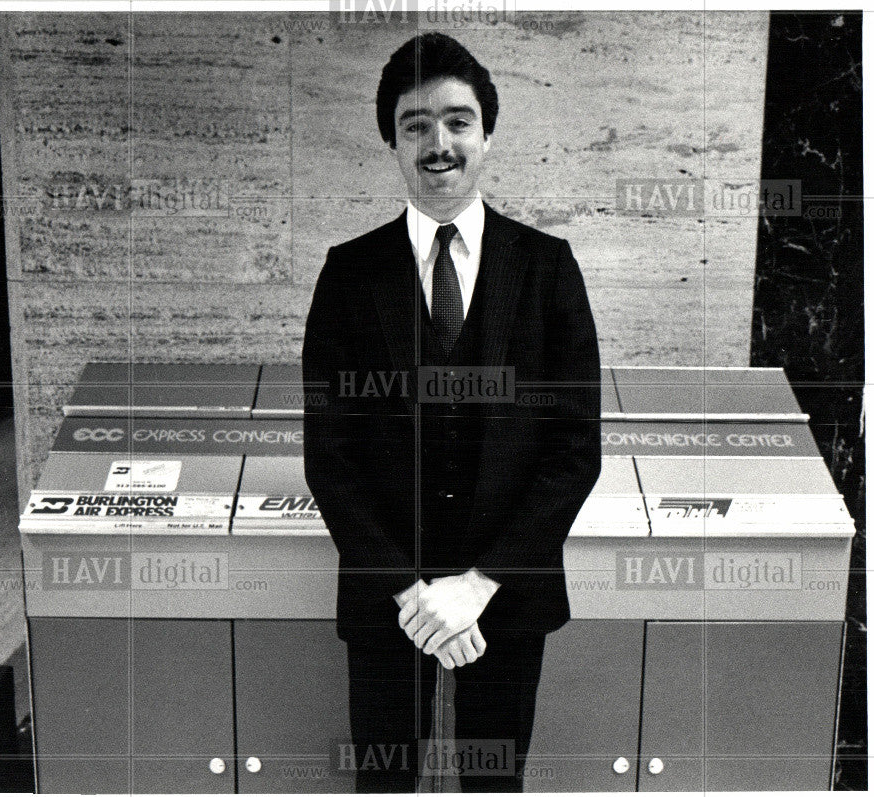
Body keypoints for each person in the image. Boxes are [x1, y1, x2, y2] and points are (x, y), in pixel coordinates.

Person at [302, 32, 601, 793]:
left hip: (504, 595)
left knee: (494, 781)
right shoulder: (348, 273)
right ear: (392, 143)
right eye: (416, 124)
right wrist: (411, 591)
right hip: (385, 601)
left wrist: (477, 584)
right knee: (384, 783)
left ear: (487, 134)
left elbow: (574, 448)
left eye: (457, 120)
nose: (439, 142)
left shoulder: (546, 266)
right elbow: (329, 455)